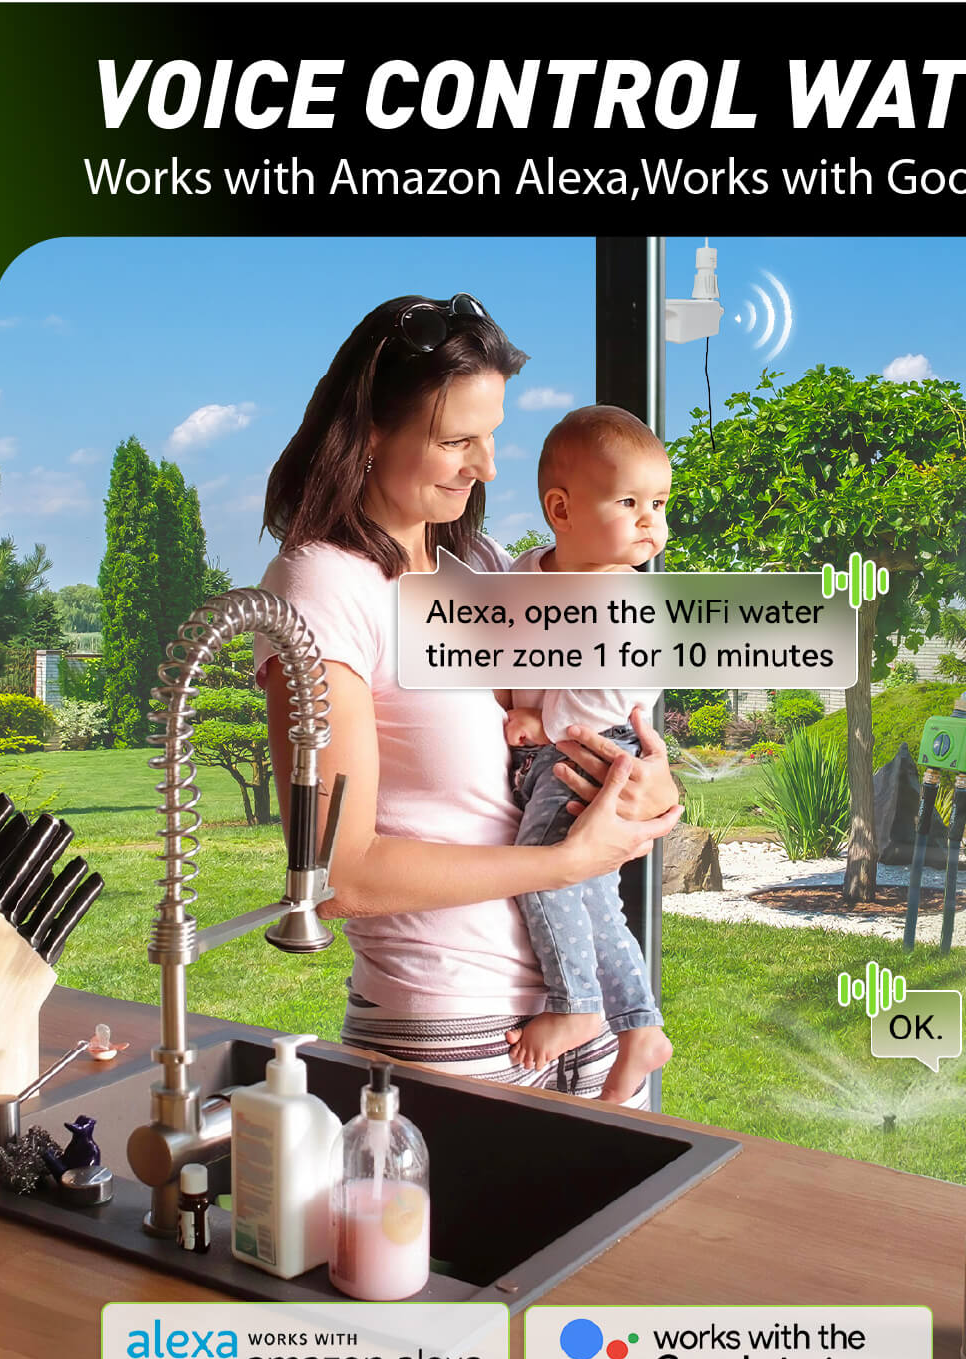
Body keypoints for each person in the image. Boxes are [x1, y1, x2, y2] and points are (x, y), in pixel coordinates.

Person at [254, 295, 682, 1106]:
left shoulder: (482, 565)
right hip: (450, 1026)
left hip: (582, 1010)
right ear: (370, 432)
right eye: (455, 440)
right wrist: (565, 861)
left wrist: (654, 795)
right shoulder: (322, 588)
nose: (485, 466)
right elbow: (340, 873)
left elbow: (579, 724)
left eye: (491, 436)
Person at [498, 405, 674, 1103]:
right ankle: (639, 1028)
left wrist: (539, 719)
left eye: (658, 504)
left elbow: (618, 690)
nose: (649, 522)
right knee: (592, 894)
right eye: (629, 502)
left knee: (543, 872)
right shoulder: (523, 575)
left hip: (594, 749)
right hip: (550, 754)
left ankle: (576, 1004)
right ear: (561, 508)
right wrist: (518, 699)